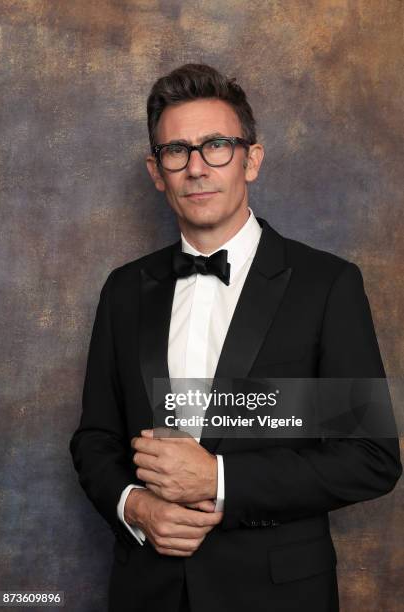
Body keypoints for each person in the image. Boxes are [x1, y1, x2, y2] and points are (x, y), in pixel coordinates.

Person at [69, 63, 402, 612]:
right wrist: (134, 506)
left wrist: (219, 478)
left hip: (277, 594)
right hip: (147, 591)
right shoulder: (124, 289)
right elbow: (95, 438)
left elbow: (370, 457)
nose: (197, 167)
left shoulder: (327, 284)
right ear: (158, 172)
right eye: (177, 151)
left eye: (217, 145)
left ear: (252, 159)